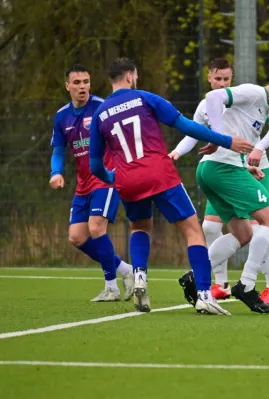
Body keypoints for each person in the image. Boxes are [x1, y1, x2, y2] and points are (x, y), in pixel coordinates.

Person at [89, 57, 254, 314]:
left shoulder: (99, 114)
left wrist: (112, 178)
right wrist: (226, 140)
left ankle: (140, 275)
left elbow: (95, 166)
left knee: (139, 227)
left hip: (127, 180)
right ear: (131, 76)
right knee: (192, 231)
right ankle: (203, 294)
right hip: (158, 173)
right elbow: (186, 125)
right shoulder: (145, 98)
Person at [170, 58, 269, 306]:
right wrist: (177, 153)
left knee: (248, 230)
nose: (222, 83)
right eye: (218, 78)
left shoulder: (241, 97)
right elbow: (195, 134)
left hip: (238, 168)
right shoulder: (213, 103)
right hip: (224, 169)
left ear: (230, 79)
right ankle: (241, 284)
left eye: (226, 79)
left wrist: (252, 158)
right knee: (265, 222)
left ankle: (268, 285)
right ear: (209, 78)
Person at [195, 70, 269, 314]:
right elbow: (213, 97)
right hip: (222, 169)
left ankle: (194, 277)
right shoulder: (255, 93)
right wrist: (219, 137)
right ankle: (246, 285)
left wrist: (245, 167)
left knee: (243, 233)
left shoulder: (262, 106)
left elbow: (235, 129)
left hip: (214, 169)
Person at [50, 64, 133, 302]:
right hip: (83, 184)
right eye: (76, 83)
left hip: (105, 179)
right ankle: (125, 270)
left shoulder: (102, 107)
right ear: (68, 86)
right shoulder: (61, 116)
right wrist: (56, 172)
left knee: (96, 229)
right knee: (77, 237)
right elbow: (57, 150)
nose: (82, 87)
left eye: (86, 82)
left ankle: (112, 288)